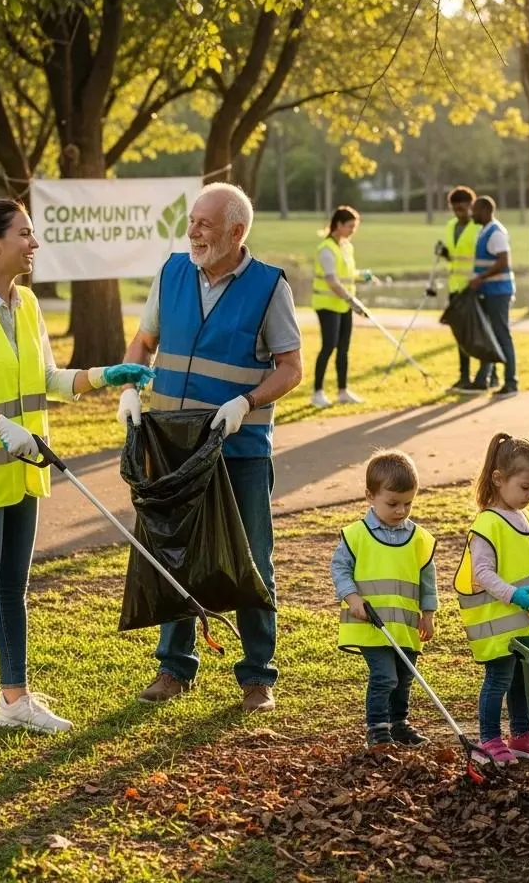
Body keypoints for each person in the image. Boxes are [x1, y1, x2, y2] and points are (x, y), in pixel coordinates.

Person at [0, 199, 155, 747]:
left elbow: (47, 376)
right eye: (25, 234)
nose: (35, 243)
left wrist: (104, 375)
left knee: (12, 590)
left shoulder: (24, 304)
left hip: (21, 473)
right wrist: (0, 426)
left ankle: (14, 701)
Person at [117, 183, 303, 712]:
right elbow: (143, 341)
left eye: (204, 223)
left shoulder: (270, 287)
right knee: (173, 552)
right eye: (192, 221)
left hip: (239, 447)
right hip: (172, 444)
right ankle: (174, 668)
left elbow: (291, 367)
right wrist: (131, 384)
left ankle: (257, 676)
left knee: (251, 559)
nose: (193, 231)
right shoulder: (172, 272)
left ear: (237, 232)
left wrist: (245, 403)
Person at [454, 433, 529, 764]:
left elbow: (526, 563)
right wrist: (516, 595)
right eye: (525, 487)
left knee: (520, 679)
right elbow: (484, 575)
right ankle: (489, 740)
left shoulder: (526, 518)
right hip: (496, 625)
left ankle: (520, 736)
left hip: (522, 624)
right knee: (499, 681)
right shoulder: (487, 524)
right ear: (499, 479)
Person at [331, 449, 438, 749]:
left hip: (405, 626)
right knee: (384, 677)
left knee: (404, 677)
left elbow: (427, 578)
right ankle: (377, 729)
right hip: (371, 624)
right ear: (370, 495)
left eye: (408, 503)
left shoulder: (419, 538)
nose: (401, 511)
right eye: (392, 503)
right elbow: (339, 568)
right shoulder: (357, 535)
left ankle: (398, 723)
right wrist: (352, 598)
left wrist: (427, 613)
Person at [310, 205, 372, 409]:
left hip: (344, 304)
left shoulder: (346, 246)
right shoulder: (326, 249)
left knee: (344, 348)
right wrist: (351, 300)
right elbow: (332, 280)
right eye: (350, 226)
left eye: (355, 226)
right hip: (327, 305)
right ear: (338, 225)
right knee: (329, 347)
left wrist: (363, 275)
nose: (353, 230)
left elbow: (347, 273)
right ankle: (317, 393)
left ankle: (343, 391)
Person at [435, 185, 484, 392]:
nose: (459, 213)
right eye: (455, 209)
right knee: (460, 334)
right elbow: (455, 257)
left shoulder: (479, 227)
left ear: (471, 206)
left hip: (475, 287)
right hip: (456, 287)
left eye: (462, 209)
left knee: (479, 333)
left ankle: (487, 375)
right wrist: (444, 253)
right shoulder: (450, 226)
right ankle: (464, 375)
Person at [469, 195, 517, 396]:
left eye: (475, 210)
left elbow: (503, 262)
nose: (472, 214)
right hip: (488, 292)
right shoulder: (484, 231)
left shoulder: (496, 233)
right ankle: (486, 378)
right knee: (489, 336)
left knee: (501, 335)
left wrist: (481, 277)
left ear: (486, 211)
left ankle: (511, 382)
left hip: (498, 293)